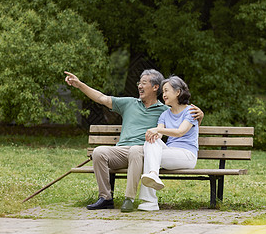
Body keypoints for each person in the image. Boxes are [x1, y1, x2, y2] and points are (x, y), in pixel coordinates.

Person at [64, 70, 203, 212]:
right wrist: (79, 84)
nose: (139, 86)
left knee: (138, 149)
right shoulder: (130, 103)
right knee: (99, 152)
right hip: (122, 151)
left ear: (156, 88)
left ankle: (129, 199)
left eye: (144, 83)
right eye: (139, 83)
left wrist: (200, 116)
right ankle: (105, 198)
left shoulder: (163, 109)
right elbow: (102, 98)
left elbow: (181, 121)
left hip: (141, 151)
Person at [138, 76, 199, 211]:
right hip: (170, 153)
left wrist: (157, 129)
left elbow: (180, 132)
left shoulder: (191, 111)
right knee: (151, 142)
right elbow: (159, 135)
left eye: (166, 91)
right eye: (163, 92)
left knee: (150, 155)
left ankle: (150, 201)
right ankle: (153, 174)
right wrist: (154, 133)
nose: (163, 95)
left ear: (178, 92)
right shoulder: (165, 114)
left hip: (187, 156)